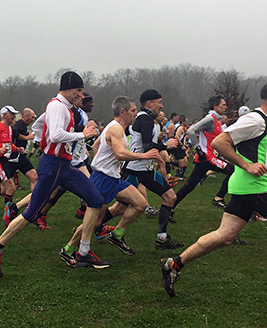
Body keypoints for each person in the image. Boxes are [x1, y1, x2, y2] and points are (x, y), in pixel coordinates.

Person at [160, 81, 267, 310]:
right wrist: (246, 165)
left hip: (247, 187)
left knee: (224, 236)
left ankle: (173, 265)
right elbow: (220, 142)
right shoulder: (255, 119)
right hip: (254, 187)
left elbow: (265, 158)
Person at [0, 71, 106, 277]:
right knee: (32, 213)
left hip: (64, 167)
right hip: (52, 166)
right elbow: (56, 135)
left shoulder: (66, 108)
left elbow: (44, 128)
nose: (82, 96)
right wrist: (81, 134)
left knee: (95, 199)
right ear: (68, 89)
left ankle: (83, 250)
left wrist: (81, 129)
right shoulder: (57, 105)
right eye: (79, 91)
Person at [66, 96, 158, 256]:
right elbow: (120, 153)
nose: (136, 114)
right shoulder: (115, 128)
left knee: (141, 204)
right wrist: (145, 156)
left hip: (113, 178)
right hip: (102, 179)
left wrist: (104, 160)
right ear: (123, 112)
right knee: (94, 222)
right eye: (133, 110)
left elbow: (96, 145)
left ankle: (117, 235)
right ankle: (69, 249)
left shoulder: (116, 128)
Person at [121, 89, 184, 250]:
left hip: (146, 169)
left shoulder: (148, 120)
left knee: (170, 197)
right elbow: (147, 146)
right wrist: (165, 146)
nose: (161, 106)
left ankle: (162, 238)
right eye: (159, 102)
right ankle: (92, 228)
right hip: (134, 169)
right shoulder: (145, 120)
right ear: (150, 103)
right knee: (119, 208)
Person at [171, 95, 234, 213]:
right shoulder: (210, 119)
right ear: (215, 106)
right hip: (206, 157)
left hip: (207, 158)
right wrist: (198, 149)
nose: (226, 107)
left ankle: (169, 208)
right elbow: (191, 130)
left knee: (189, 186)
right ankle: (219, 198)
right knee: (234, 171)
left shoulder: (216, 120)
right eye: (223, 105)